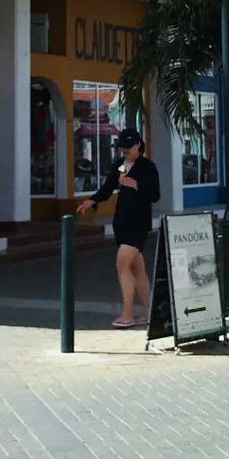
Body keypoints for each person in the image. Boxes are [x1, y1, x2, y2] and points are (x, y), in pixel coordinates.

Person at [77, 127, 160, 328]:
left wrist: (135, 185)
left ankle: (127, 314)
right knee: (136, 267)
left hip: (138, 222)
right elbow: (108, 188)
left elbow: (154, 195)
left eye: (129, 147)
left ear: (138, 145)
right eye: (122, 148)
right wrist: (92, 200)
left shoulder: (147, 167)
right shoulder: (120, 165)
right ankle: (152, 312)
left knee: (122, 265)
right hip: (121, 222)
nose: (125, 151)